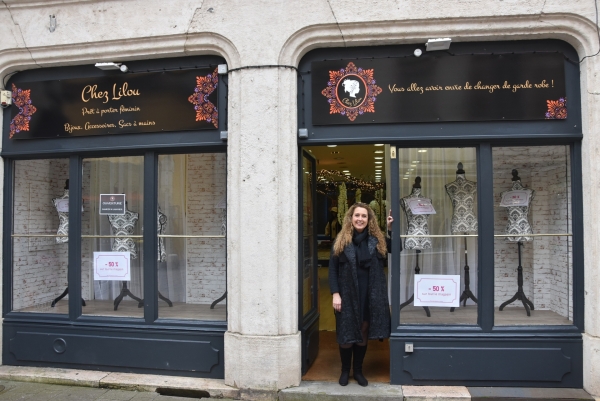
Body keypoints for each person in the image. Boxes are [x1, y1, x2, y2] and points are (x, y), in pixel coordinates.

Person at [329, 203, 394, 387]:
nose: (360, 219)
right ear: (351, 218)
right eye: (357, 215)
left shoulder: (377, 240)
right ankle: (344, 371)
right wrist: (335, 294)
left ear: (369, 220)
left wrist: (390, 230)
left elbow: (396, 249)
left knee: (364, 329)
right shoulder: (341, 241)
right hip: (346, 295)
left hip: (369, 295)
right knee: (346, 331)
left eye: (364, 216)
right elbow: (333, 270)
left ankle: (358, 371)